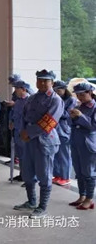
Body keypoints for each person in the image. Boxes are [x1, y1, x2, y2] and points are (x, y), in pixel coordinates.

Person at [13, 69, 63, 219]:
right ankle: (31, 201)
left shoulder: (55, 100)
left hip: (44, 141)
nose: (41, 83)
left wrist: (29, 132)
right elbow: (24, 116)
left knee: (44, 175)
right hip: (28, 140)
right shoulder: (32, 97)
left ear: (52, 83)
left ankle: (43, 207)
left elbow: (49, 121)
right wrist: (22, 131)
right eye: (39, 80)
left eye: (45, 80)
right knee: (27, 173)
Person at [68, 82, 96, 210]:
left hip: (88, 143)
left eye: (82, 95)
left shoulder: (94, 107)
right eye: (78, 95)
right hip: (76, 141)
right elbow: (71, 124)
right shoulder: (81, 106)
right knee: (78, 171)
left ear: (90, 93)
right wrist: (72, 117)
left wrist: (80, 116)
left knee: (88, 172)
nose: (79, 98)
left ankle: (90, 199)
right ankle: (82, 196)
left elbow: (92, 126)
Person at [52, 80, 76, 186]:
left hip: (64, 129)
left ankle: (65, 177)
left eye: (59, 90)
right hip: (55, 128)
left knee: (64, 155)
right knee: (56, 153)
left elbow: (67, 114)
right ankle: (57, 175)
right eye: (55, 90)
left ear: (64, 89)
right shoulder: (56, 99)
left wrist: (56, 111)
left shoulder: (71, 100)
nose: (57, 92)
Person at [9, 80, 31, 181]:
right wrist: (11, 121)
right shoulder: (18, 102)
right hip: (17, 131)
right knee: (20, 155)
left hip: (25, 132)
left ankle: (28, 176)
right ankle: (22, 174)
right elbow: (14, 114)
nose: (15, 91)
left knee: (27, 155)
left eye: (17, 89)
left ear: (23, 89)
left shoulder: (30, 101)